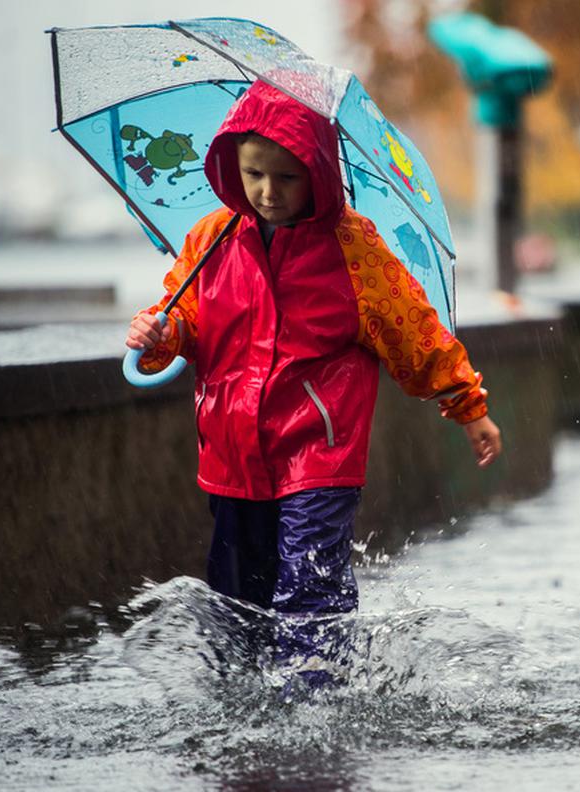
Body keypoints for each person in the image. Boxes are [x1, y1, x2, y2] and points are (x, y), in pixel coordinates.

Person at [124, 81, 502, 685]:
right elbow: (186, 319)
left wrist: (466, 404)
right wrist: (159, 335)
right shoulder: (212, 240)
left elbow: (414, 331)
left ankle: (316, 701)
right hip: (232, 452)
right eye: (253, 175)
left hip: (318, 453)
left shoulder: (353, 250)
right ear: (231, 168)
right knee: (235, 595)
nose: (268, 193)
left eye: (287, 177)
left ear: (318, 174)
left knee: (310, 584)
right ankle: (243, 697)